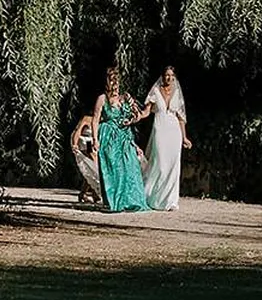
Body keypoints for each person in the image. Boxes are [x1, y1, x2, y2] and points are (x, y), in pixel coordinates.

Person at [92, 66, 149, 212]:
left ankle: (131, 201)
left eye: (117, 81)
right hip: (108, 136)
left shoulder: (125, 97)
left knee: (130, 166)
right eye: (112, 81)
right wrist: (95, 139)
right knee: (114, 168)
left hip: (124, 136)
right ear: (107, 82)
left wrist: (130, 121)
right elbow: (95, 119)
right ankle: (115, 202)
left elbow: (138, 115)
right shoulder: (102, 99)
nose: (115, 84)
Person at [142, 64, 192, 211]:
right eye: (166, 75)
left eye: (171, 75)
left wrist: (184, 137)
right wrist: (135, 116)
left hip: (174, 131)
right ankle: (151, 197)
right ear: (162, 76)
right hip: (160, 128)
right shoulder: (156, 91)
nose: (168, 78)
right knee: (160, 164)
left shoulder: (177, 92)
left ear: (174, 77)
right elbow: (146, 112)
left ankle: (170, 201)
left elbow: (181, 117)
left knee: (173, 167)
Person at [70, 112, 101, 206]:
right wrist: (74, 144)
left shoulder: (102, 120)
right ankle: (95, 194)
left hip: (94, 145)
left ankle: (84, 194)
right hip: (86, 143)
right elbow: (78, 131)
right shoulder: (87, 119)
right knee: (94, 168)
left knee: (90, 171)